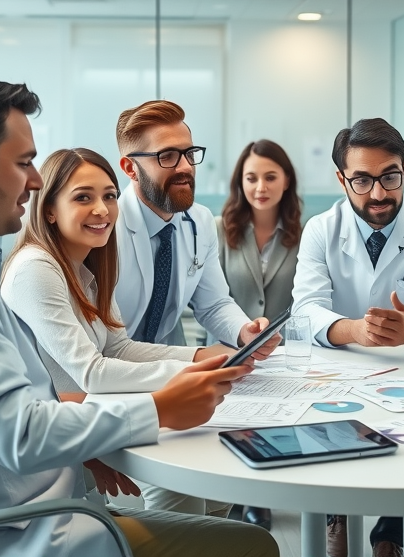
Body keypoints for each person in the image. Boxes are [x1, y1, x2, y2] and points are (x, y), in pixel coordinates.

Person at [0, 70, 277, 557]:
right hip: (7, 532)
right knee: (251, 545)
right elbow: (20, 433)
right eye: (24, 162)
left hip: (29, 503)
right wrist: (159, 408)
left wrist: (81, 448)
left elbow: (12, 406)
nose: (37, 179)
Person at [291, 117, 404, 557]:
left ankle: (390, 535)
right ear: (341, 179)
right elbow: (304, 310)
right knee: (334, 440)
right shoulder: (320, 230)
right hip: (337, 367)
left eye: (390, 177)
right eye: (362, 180)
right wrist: (353, 330)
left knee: (403, 449)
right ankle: (337, 517)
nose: (378, 194)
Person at [113, 99, 279, 514]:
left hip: (178, 378)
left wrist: (244, 332)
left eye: (189, 153)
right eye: (167, 156)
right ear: (130, 168)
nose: (185, 166)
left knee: (222, 499)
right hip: (118, 384)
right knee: (180, 505)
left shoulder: (199, 221)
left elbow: (213, 302)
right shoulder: (105, 226)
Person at [1, 148, 237, 396]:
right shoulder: (34, 268)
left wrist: (201, 356)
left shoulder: (87, 267)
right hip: (51, 427)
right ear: (50, 210)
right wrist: (196, 372)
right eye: (83, 198)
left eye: (110, 196)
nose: (102, 209)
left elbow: (119, 349)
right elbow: (91, 373)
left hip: (86, 417)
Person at [214, 139, 304, 530]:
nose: (260, 187)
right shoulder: (220, 231)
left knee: (278, 424)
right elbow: (210, 300)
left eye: (270, 177)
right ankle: (249, 499)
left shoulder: (304, 234)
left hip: (285, 354)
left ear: (287, 181)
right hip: (228, 350)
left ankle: (268, 495)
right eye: (251, 178)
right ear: (240, 183)